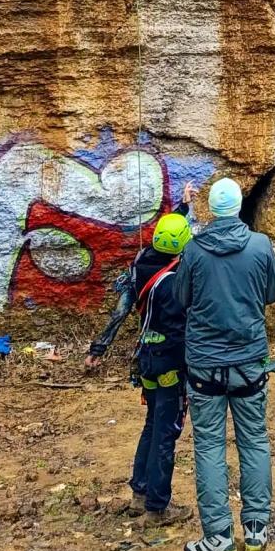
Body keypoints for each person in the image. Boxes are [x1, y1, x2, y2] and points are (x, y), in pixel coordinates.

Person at [176, 177, 275, 551]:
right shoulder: (261, 245)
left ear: (212, 210)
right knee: (254, 440)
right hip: (250, 361)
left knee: (208, 446)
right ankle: (255, 532)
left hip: (205, 364)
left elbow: (181, 298)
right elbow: (272, 293)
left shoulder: (193, 250)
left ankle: (219, 538)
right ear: (238, 207)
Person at [85, 185, 196, 528]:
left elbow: (120, 312)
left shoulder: (141, 262)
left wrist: (98, 349)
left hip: (145, 358)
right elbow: (184, 328)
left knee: (151, 425)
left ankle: (139, 492)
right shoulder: (175, 282)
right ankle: (157, 508)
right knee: (166, 432)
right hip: (170, 361)